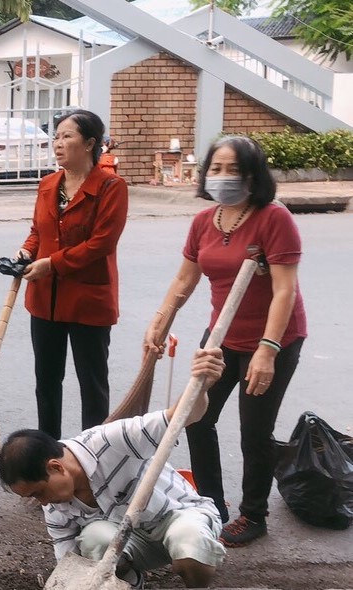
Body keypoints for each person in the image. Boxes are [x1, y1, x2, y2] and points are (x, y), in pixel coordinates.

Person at [143, 135, 307, 547]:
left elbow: (285, 290)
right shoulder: (203, 222)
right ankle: (211, 504)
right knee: (196, 416)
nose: (223, 176)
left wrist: (268, 351)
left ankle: (254, 514)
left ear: (253, 175)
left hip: (274, 339)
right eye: (216, 168)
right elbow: (185, 277)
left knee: (255, 431)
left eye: (233, 169)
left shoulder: (274, 218)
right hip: (221, 336)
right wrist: (161, 320)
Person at [0, 349, 228, 589]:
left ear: (55, 467)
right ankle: (129, 584)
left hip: (179, 516)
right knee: (94, 540)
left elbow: (183, 416)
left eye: (38, 493)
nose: (43, 503)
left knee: (190, 547)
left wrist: (201, 386)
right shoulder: (56, 508)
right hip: (135, 542)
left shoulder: (111, 441)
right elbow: (67, 563)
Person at [17, 109, 128, 439]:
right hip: (45, 300)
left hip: (88, 302)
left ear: (90, 143)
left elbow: (101, 244)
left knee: (93, 386)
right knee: (47, 383)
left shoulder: (111, 187)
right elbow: (39, 231)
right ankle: (48, 456)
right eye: (56, 136)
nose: (58, 143)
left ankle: (93, 459)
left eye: (67, 136)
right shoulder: (48, 184)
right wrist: (25, 252)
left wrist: (51, 264)